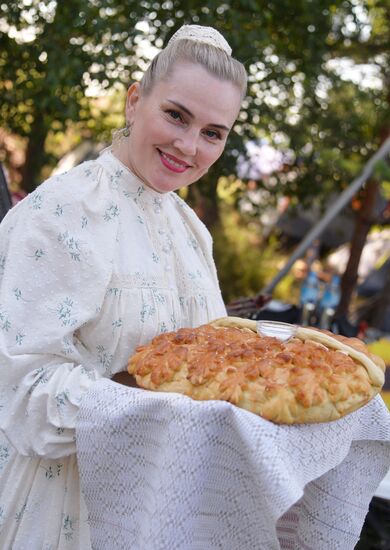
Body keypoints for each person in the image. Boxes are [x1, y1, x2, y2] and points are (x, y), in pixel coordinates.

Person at [0, 25, 247, 548]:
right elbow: (21, 390)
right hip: (64, 503)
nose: (188, 146)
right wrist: (149, 401)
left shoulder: (190, 230)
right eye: (176, 115)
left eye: (213, 132)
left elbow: (212, 359)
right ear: (135, 101)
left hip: (162, 501)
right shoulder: (64, 210)